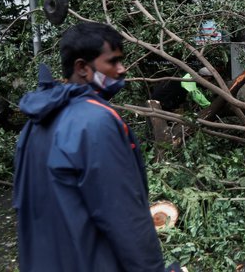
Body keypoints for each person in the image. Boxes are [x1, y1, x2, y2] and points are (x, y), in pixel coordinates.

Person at [13, 22, 180, 272]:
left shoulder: (36, 121)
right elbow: (124, 218)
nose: (122, 70)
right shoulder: (97, 122)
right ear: (82, 67)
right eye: (112, 62)